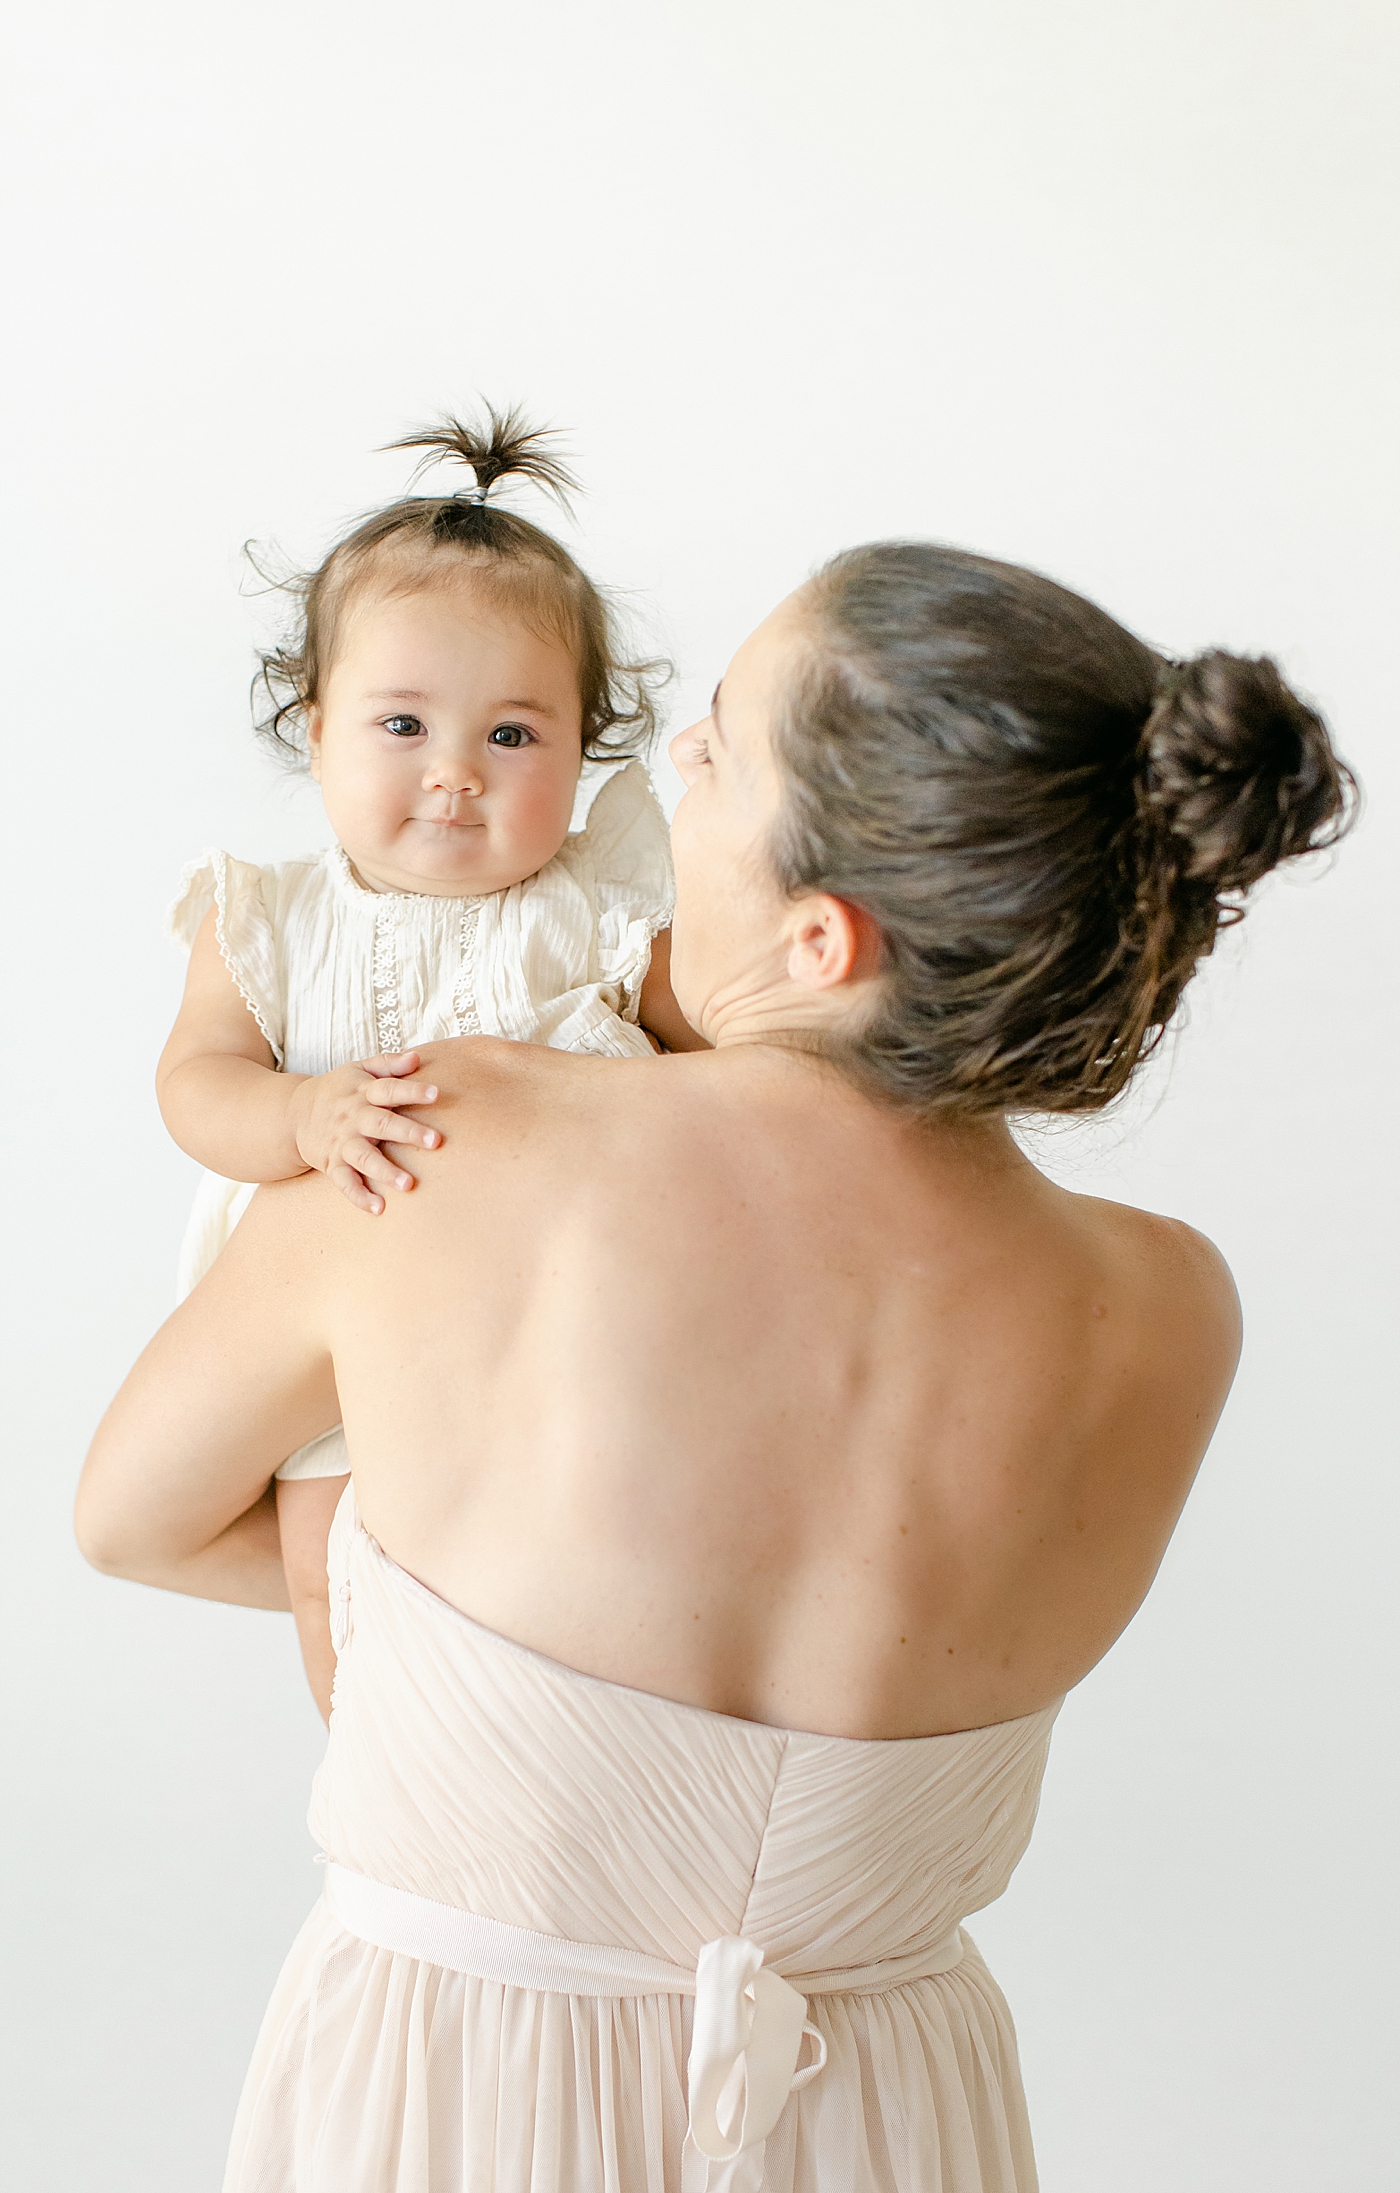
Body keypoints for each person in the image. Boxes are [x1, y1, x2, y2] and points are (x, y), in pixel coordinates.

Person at [77, 540, 1352, 2192]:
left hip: (463, 2098)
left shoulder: (453, 1133)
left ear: (821, 938)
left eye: (723, 742)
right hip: (893, 2118)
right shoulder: (1174, 1308)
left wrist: (424, 1608)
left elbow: (132, 1519)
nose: (667, 757)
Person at [157, 405, 701, 1707]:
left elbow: (716, 1077)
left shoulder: (608, 915)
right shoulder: (265, 919)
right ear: (314, 722)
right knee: (328, 1569)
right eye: (404, 726)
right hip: (321, 1336)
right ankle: (389, 1797)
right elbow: (196, 1083)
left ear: (581, 749)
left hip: (559, 1320)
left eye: (512, 736)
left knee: (580, 1565)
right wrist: (299, 1117)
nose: (455, 773)